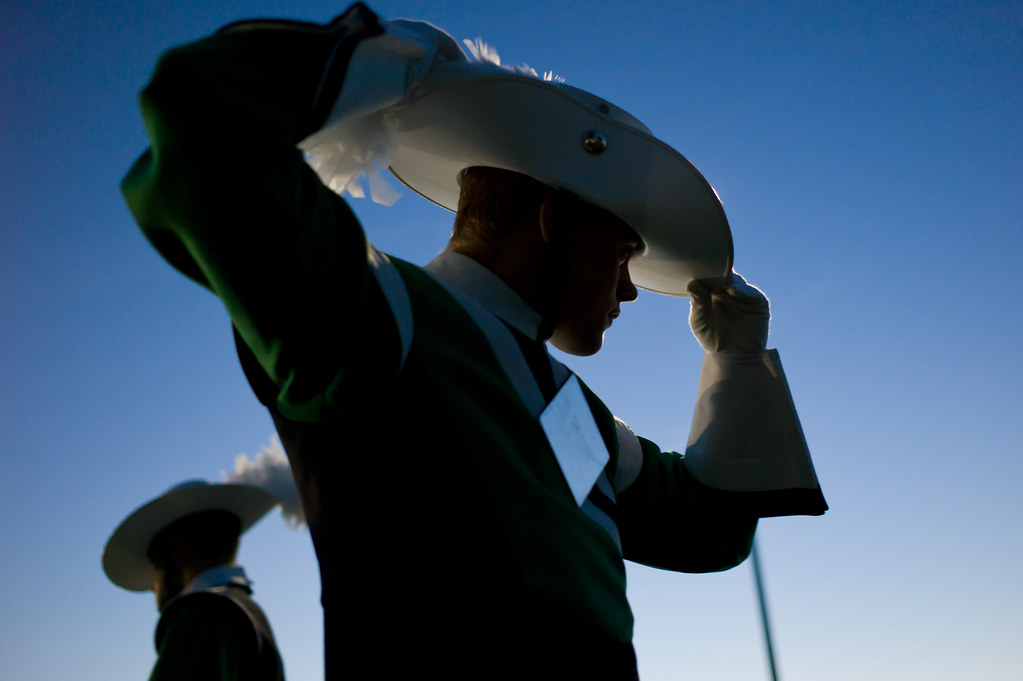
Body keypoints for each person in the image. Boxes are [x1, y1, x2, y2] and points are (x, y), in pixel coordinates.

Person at [121, 4, 826, 678]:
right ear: (554, 223)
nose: (631, 290)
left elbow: (706, 528)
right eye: (620, 256)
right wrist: (394, 61)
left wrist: (735, 360)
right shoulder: (380, 311)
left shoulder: (577, 410)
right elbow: (200, 109)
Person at [103, 480, 286, 681]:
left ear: (178, 547)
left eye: (157, 564)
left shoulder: (199, 614)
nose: (153, 587)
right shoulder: (250, 611)